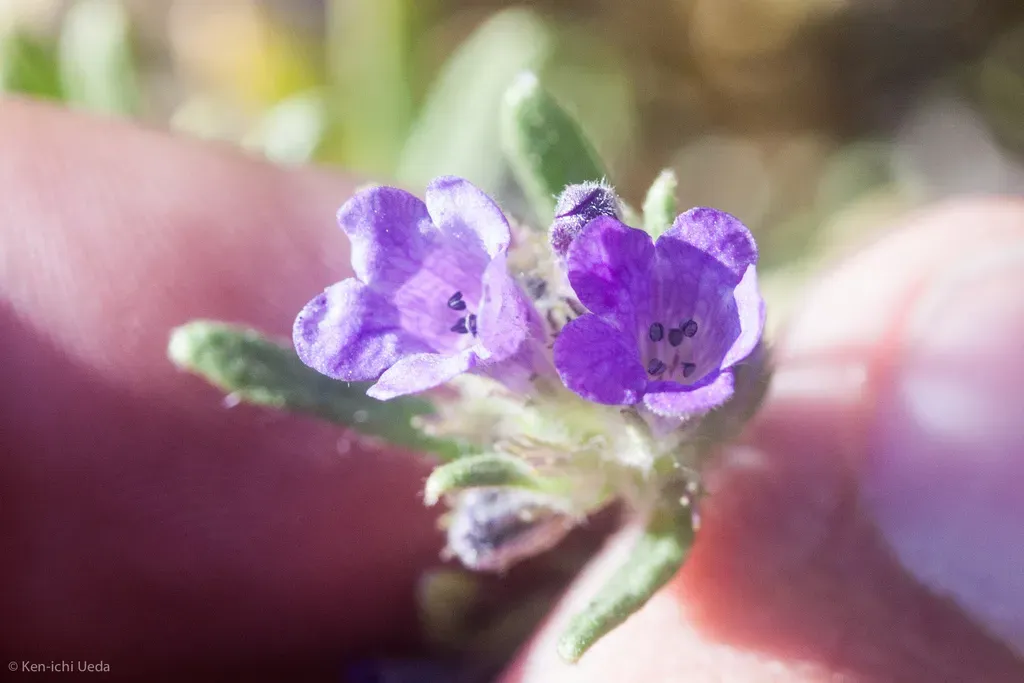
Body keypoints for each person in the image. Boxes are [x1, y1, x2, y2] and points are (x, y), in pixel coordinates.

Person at [1, 98, 1021, 681]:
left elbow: (705, 340)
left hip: (634, 375)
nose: (672, 350)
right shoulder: (518, 344)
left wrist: (682, 373)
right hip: (560, 387)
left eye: (677, 352)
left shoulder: (657, 331)